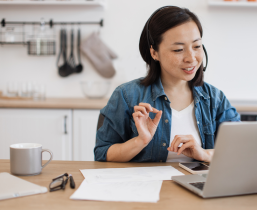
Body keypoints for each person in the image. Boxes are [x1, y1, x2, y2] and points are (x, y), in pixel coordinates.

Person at [94, 6, 240, 163]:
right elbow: (102, 153)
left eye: (197, 46)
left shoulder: (215, 99)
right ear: (154, 53)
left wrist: (204, 154)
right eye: (178, 49)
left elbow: (240, 150)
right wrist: (139, 141)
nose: (191, 58)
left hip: (197, 186)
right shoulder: (127, 95)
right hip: (146, 186)